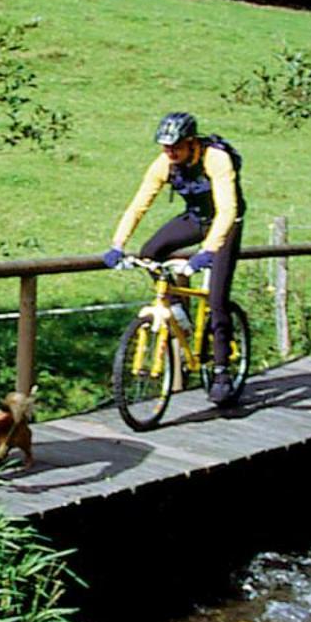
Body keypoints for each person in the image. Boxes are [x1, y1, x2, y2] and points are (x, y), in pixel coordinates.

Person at [101, 111, 247, 406]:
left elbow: (228, 210)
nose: (170, 153)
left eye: (176, 147)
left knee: (217, 299)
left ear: (191, 142)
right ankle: (177, 307)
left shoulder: (216, 159)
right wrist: (117, 244)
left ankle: (221, 373)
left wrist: (207, 251)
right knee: (150, 252)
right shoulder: (164, 163)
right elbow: (138, 205)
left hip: (226, 223)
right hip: (196, 218)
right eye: (165, 147)